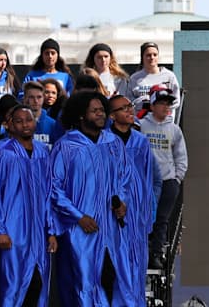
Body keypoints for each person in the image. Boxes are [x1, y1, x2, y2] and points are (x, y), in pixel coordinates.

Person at [49, 91, 129, 307]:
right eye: (94, 111)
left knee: (113, 281)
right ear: (81, 115)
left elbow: (123, 178)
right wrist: (78, 217)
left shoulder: (113, 143)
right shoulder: (66, 146)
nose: (100, 114)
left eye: (102, 110)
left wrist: (122, 202)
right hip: (80, 229)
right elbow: (54, 188)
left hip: (111, 228)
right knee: (82, 284)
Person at [0, 104, 57, 307]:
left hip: (38, 232)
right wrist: (0, 230)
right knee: (12, 284)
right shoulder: (4, 154)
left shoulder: (43, 152)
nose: (25, 125)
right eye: (18, 121)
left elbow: (49, 193)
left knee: (38, 284)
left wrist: (51, 231)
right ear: (10, 125)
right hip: (13, 229)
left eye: (28, 120)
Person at [109, 93, 161, 307]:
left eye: (130, 106)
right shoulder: (104, 142)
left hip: (137, 218)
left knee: (137, 270)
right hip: (111, 218)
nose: (130, 110)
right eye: (123, 108)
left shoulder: (141, 142)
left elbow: (154, 179)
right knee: (115, 271)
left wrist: (149, 210)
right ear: (112, 116)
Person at [141, 88, 187, 272]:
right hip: (147, 180)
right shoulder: (142, 125)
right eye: (162, 103)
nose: (166, 107)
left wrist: (177, 178)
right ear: (152, 105)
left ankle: (155, 254)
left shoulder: (174, 129)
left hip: (168, 180)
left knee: (162, 219)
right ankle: (142, 252)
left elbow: (181, 156)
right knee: (145, 217)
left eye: (168, 104)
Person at [121, 42, 180, 118]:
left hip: (164, 122)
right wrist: (143, 104)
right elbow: (129, 101)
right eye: (148, 55)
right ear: (142, 57)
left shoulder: (169, 76)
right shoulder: (134, 78)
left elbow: (176, 100)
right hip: (142, 121)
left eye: (155, 55)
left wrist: (161, 108)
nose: (152, 57)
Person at [21, 81, 58, 148]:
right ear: (25, 99)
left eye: (39, 97)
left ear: (43, 98)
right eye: (31, 97)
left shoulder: (53, 124)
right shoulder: (17, 124)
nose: (36, 101)